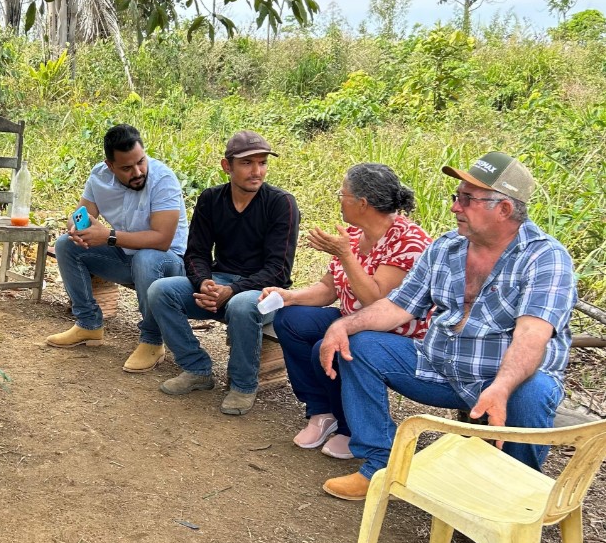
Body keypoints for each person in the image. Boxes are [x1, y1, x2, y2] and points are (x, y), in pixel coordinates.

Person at [318, 152, 576, 501]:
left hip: (504, 381)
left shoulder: (545, 257)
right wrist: (344, 326)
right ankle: (381, 464)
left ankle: (510, 498)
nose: (456, 207)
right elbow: (397, 306)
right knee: (360, 345)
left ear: (504, 209)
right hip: (439, 368)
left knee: (535, 391)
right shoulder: (445, 248)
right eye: (457, 196)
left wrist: (501, 387)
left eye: (468, 199)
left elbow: (533, 335)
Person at [264, 163, 431, 459]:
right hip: (352, 319)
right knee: (290, 319)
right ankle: (321, 412)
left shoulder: (408, 241)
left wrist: (345, 255)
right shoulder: (354, 234)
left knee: (324, 347)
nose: (338, 199)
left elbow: (376, 300)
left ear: (362, 203)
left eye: (343, 194)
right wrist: (289, 296)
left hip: (393, 332)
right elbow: (328, 289)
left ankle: (350, 426)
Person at [147, 130, 300, 414]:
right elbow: (196, 252)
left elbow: (278, 270)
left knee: (242, 305)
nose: (257, 171)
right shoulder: (211, 199)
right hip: (220, 282)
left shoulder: (281, 203)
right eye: (247, 163)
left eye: (262, 162)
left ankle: (243, 386)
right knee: (161, 290)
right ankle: (197, 369)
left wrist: (232, 291)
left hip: (265, 292)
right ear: (226, 166)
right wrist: (204, 282)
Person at [45, 124, 188, 373]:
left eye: (140, 162)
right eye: (126, 168)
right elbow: (82, 213)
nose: (137, 171)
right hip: (127, 257)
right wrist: (77, 228)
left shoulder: (163, 179)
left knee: (147, 258)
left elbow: (162, 240)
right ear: (110, 165)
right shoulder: (99, 175)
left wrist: (108, 236)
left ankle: (152, 341)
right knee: (66, 245)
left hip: (169, 264)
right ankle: (89, 324)